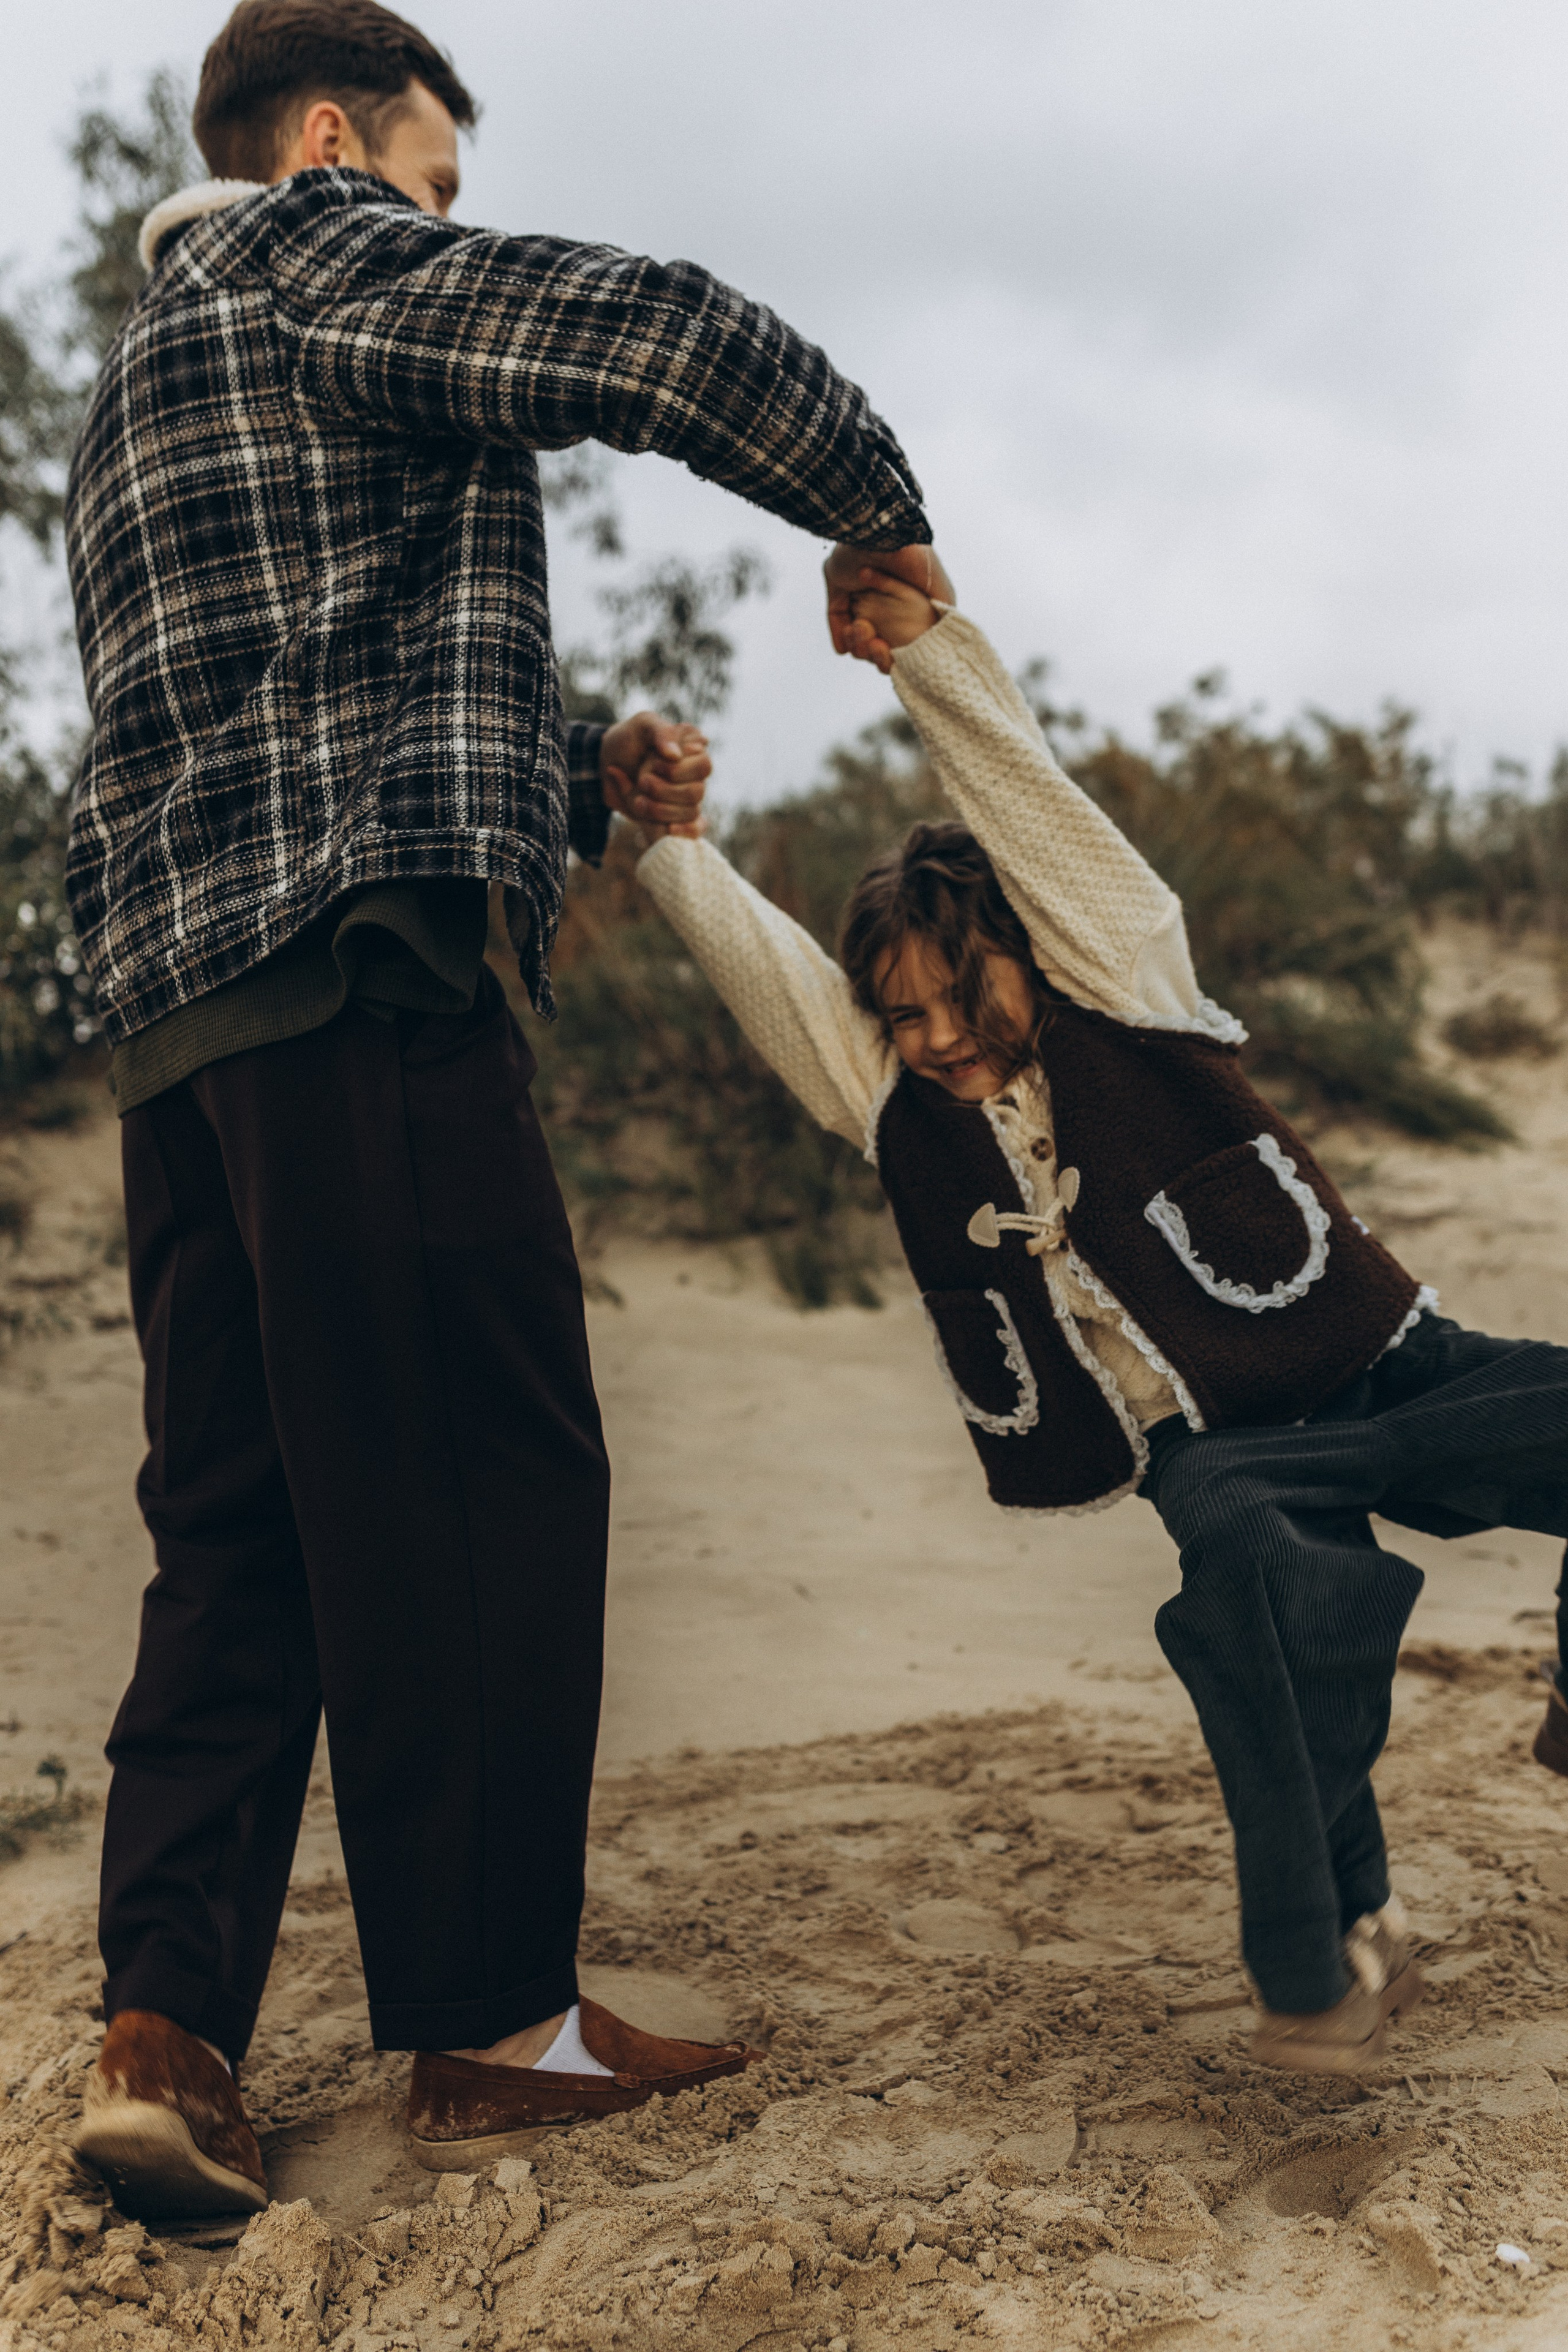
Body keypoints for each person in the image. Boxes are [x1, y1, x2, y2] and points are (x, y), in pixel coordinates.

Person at [64, 0, 941, 2211]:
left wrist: (568, 786)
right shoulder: (321, 250)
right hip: (370, 992)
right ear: (333, 140)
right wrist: (872, 508)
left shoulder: (133, 393)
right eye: (433, 182)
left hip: (186, 1048)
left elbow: (278, 697)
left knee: (238, 1530)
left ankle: (164, 2038)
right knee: (479, 1472)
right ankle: (491, 2022)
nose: (439, 221)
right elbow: (634, 331)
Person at [637, 559, 1568, 2076]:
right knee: (1271, 1617)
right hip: (1218, 1452)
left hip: (1386, 1367)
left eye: (960, 995)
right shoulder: (893, 1104)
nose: (934, 1037)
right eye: (904, 1014)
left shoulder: (1125, 981)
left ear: (1034, 948)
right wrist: (674, 851)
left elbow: (1029, 802)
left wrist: (923, 652)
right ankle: (1322, 1953)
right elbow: (777, 985)